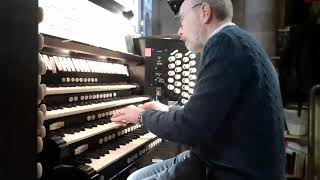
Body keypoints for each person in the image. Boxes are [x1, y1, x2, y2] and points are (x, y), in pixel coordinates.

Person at [111, 0, 286, 179]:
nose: (179, 32)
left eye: (182, 21)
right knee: (137, 176)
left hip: (232, 171)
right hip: (233, 160)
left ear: (204, 12)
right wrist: (168, 109)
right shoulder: (242, 40)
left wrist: (140, 116)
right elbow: (208, 114)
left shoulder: (223, 42)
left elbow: (191, 128)